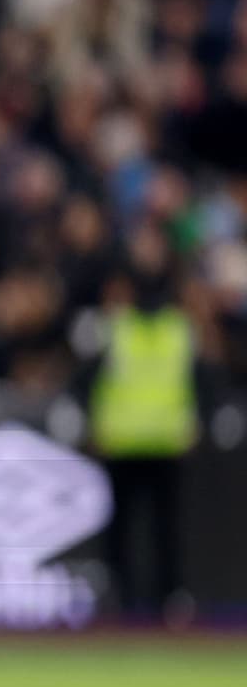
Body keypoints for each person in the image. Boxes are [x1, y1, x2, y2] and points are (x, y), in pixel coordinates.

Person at [82, 233, 213, 626]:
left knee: (162, 528)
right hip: (124, 441)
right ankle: (123, 596)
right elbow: (88, 382)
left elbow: (202, 383)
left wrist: (198, 420)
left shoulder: (174, 329)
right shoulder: (120, 328)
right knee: (126, 528)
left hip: (160, 442)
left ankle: (166, 597)